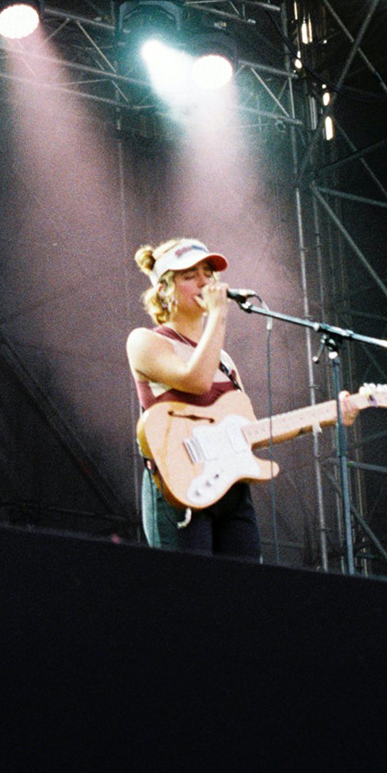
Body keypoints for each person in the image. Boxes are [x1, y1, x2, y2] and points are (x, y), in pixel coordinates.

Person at [126, 236, 263, 559]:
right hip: (179, 488)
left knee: (248, 595)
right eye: (190, 276)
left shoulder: (225, 360)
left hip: (230, 490)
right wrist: (217, 316)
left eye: (208, 274)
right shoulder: (146, 342)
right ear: (164, 290)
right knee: (190, 596)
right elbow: (196, 381)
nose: (205, 282)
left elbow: (249, 431)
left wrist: (334, 412)